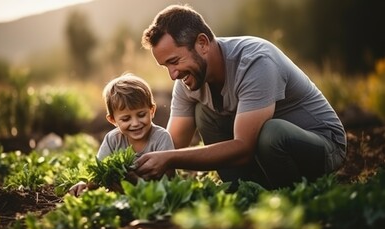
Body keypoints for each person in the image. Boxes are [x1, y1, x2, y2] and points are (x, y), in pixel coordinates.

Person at [134, 4, 347, 191]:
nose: (173, 74)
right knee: (204, 113)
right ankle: (244, 190)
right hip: (267, 154)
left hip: (321, 144)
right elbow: (172, 145)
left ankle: (293, 194)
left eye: (175, 61)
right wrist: (136, 169)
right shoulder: (188, 81)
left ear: (202, 43)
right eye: (166, 66)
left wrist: (170, 159)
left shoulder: (256, 61)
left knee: (272, 134)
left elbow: (243, 147)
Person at [69, 73, 175, 196]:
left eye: (141, 115)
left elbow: (169, 178)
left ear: (152, 111)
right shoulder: (112, 139)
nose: (135, 123)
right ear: (113, 120)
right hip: (119, 198)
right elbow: (100, 172)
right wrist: (85, 184)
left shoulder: (162, 138)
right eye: (126, 119)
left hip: (154, 196)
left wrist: (138, 182)